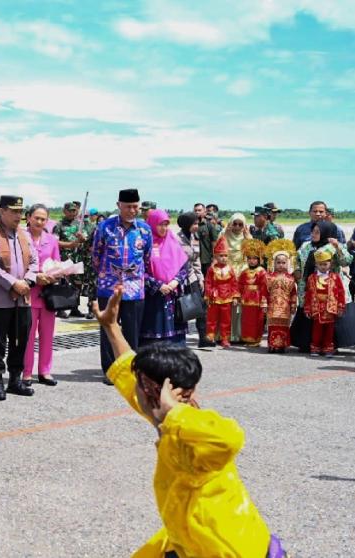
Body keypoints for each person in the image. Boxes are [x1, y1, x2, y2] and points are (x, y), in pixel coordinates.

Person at [92, 285, 288, 558]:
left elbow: (230, 438)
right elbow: (129, 374)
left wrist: (174, 412)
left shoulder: (194, 426)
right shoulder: (168, 417)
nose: (133, 390)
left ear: (156, 395)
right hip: (186, 540)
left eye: (140, 386)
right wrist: (112, 327)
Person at [0, 195, 40, 401]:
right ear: (2, 211)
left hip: (23, 298)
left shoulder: (25, 235)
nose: (19, 215)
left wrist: (28, 281)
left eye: (20, 211)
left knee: (21, 340)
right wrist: (13, 283)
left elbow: (34, 261)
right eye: (14, 211)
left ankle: (15, 380)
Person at [92, 188, 152, 382]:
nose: (132, 210)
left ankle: (130, 369)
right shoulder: (105, 227)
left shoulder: (144, 229)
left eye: (135, 206)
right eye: (128, 206)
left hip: (134, 287)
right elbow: (96, 254)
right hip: (108, 286)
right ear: (119, 205)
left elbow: (147, 256)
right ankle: (111, 371)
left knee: (132, 330)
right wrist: (106, 273)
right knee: (109, 328)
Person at [292, 221, 352, 353]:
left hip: (331, 289)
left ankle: (329, 345)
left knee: (330, 320)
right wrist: (296, 270)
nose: (313, 234)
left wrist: (338, 247)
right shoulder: (306, 245)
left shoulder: (333, 246)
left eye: (317, 232)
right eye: (313, 231)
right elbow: (297, 259)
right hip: (310, 287)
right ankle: (309, 344)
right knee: (310, 315)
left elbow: (346, 261)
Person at [140, 210, 188, 346]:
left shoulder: (173, 242)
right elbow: (139, 269)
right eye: (160, 224)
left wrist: (175, 282)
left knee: (175, 337)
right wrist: (158, 285)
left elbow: (184, 266)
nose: (164, 228)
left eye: (166, 224)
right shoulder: (145, 244)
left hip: (172, 295)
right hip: (153, 296)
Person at [23, 204, 59, 386]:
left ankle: (45, 371)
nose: (39, 222)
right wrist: (35, 277)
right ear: (28, 217)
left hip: (47, 296)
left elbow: (57, 263)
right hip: (28, 293)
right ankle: (27, 372)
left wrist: (53, 275)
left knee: (47, 334)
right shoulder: (21, 237)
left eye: (43, 219)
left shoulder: (51, 240)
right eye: (36, 218)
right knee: (27, 336)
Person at [304, 249, 345, 357]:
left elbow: (341, 292)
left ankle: (328, 348)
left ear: (330, 264)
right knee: (316, 330)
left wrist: (340, 307)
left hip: (330, 308)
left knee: (329, 330)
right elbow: (308, 294)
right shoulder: (311, 278)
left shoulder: (335, 278)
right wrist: (307, 308)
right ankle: (315, 347)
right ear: (316, 264)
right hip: (317, 308)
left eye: (325, 264)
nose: (323, 266)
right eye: (320, 264)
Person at [176, 212, 208, 347]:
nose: (197, 226)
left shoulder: (195, 237)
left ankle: (203, 338)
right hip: (180, 278)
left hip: (192, 276)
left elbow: (196, 260)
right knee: (182, 307)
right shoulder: (176, 239)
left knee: (200, 306)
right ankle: (179, 338)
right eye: (194, 223)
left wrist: (200, 278)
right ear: (186, 224)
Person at [53, 201, 87, 318]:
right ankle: (60, 308)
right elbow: (55, 242)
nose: (73, 213)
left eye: (74, 210)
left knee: (77, 283)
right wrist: (70, 244)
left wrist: (82, 238)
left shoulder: (80, 224)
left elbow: (85, 239)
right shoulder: (59, 225)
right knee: (63, 283)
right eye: (70, 210)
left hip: (77, 257)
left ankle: (75, 308)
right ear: (64, 211)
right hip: (64, 258)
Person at [221, 213, 251, 343]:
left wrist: (248, 238)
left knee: (241, 305)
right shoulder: (224, 235)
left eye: (240, 224)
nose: (237, 227)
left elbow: (252, 254)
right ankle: (225, 334)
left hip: (243, 270)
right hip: (227, 271)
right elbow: (218, 251)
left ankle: (239, 334)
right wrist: (224, 234)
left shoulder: (247, 237)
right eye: (235, 224)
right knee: (226, 303)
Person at [204, 237, 240, 348]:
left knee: (226, 320)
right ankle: (210, 337)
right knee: (212, 319)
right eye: (221, 256)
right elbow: (208, 283)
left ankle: (225, 339)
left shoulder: (230, 269)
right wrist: (208, 295)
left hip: (227, 297)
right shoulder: (211, 269)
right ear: (216, 256)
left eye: (225, 256)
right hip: (214, 297)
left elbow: (234, 283)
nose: (223, 258)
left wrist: (235, 297)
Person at [265, 239, 298, 353]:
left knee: (283, 326)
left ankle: (282, 345)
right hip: (273, 306)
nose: (281, 265)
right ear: (274, 263)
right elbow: (265, 292)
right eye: (278, 262)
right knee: (273, 326)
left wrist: (293, 305)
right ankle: (272, 345)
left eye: (283, 263)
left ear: (287, 264)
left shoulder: (290, 279)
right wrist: (264, 304)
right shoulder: (269, 277)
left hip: (285, 307)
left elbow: (293, 293)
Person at [238, 239, 268, 346]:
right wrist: (238, 297)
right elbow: (240, 285)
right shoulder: (244, 272)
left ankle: (256, 339)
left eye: (254, 258)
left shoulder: (262, 272)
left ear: (259, 259)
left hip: (257, 300)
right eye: (249, 258)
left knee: (257, 321)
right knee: (246, 320)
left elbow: (264, 287)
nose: (251, 261)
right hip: (246, 300)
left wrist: (264, 302)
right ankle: (247, 338)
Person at [193, 203, 219, 279]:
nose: (197, 212)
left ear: (204, 211)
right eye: (195, 210)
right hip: (194, 261)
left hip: (206, 261)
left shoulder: (209, 225)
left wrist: (214, 260)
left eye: (199, 210)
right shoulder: (191, 226)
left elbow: (215, 244)